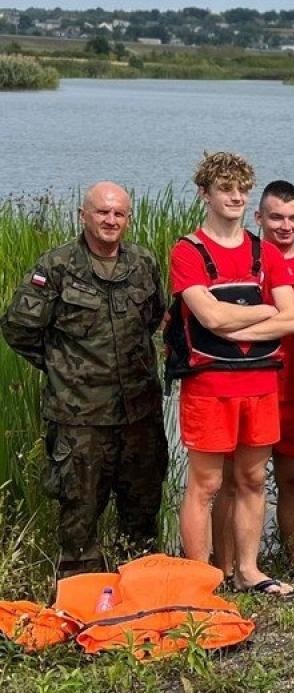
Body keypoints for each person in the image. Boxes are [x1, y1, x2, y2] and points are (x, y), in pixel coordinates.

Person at [2, 182, 167, 577]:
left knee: (142, 515)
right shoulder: (56, 266)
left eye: (119, 214)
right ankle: (81, 603)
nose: (111, 220)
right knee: (79, 517)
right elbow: (18, 328)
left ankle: (140, 602)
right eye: (102, 212)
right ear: (84, 215)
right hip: (79, 419)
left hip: (139, 414)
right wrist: (64, 368)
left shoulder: (143, 263)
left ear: (127, 218)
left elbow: (155, 318)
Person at [167, 152, 294, 597]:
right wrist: (263, 309)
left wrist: (241, 315)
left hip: (260, 384)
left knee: (252, 479)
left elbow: (293, 320)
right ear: (205, 194)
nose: (236, 197)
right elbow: (210, 320)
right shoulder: (188, 252)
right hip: (210, 386)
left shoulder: (265, 252)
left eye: (242, 189)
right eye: (226, 189)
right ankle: (200, 579)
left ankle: (248, 569)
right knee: (205, 484)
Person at [244, 181, 294, 578]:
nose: (285, 225)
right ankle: (236, 566)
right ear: (258, 218)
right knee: (244, 483)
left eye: (293, 218)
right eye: (276, 217)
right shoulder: (242, 262)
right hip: (252, 390)